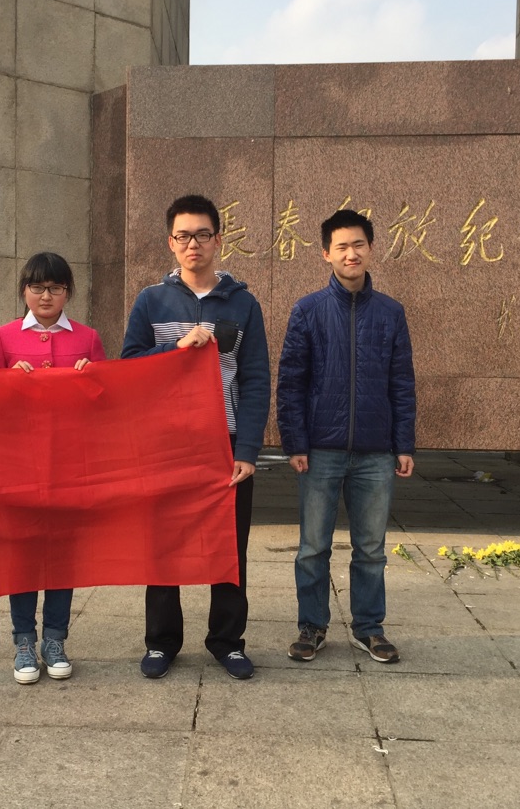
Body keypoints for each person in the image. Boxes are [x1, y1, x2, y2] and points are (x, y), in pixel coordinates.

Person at [121, 194, 271, 680]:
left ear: (218, 240)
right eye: (183, 236)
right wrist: (174, 346)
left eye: (202, 235)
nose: (193, 244)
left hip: (224, 442)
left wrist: (248, 450)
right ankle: (162, 641)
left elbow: (255, 379)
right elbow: (129, 367)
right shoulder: (151, 301)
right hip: (166, 444)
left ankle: (227, 641)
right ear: (171, 242)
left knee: (229, 546)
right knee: (163, 544)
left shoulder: (244, 303)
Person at [276, 209, 416, 665]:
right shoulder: (308, 310)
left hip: (376, 452)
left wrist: (404, 444)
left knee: (371, 549)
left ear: (371, 249)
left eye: (358, 245)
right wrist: (295, 443)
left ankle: (369, 628)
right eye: (341, 246)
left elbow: (402, 382)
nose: (351, 253)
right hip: (320, 449)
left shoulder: (390, 313)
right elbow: (291, 381)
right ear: (326, 254)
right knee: (312, 548)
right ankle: (312, 627)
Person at [0, 252, 106, 684]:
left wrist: (91, 379)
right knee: (21, 552)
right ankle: (23, 640)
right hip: (18, 465)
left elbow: (106, 404)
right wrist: (6, 381)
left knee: (62, 553)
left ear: (68, 292)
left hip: (69, 464)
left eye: (55, 288)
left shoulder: (88, 339)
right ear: (24, 291)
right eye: (37, 287)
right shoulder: (1, 338)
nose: (46, 296)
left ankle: (55, 638)